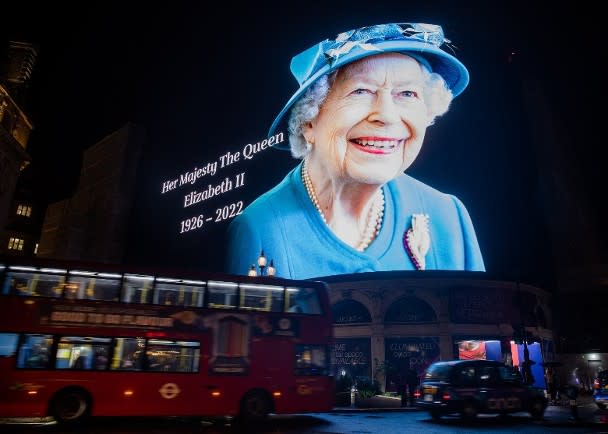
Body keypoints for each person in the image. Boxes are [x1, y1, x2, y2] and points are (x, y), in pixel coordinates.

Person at [226, 23, 485, 279]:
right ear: (308, 120)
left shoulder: (449, 217)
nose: (387, 115)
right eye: (361, 91)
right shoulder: (260, 231)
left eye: (407, 93)